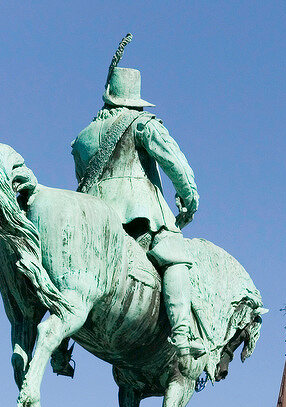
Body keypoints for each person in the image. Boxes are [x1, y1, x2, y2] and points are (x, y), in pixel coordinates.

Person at [70, 36, 200, 375]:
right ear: (135, 100)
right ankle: (183, 335)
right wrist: (189, 198)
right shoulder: (143, 124)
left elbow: (81, 180)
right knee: (176, 258)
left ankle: (62, 349)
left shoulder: (83, 137)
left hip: (95, 219)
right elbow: (176, 164)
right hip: (138, 215)